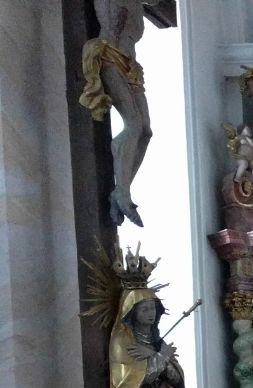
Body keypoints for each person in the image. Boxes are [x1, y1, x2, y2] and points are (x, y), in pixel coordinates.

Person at [79, 0, 150, 226]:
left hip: (132, 65)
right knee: (134, 125)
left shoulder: (139, 6)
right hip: (109, 56)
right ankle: (122, 194)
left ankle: (121, 189)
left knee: (146, 132)